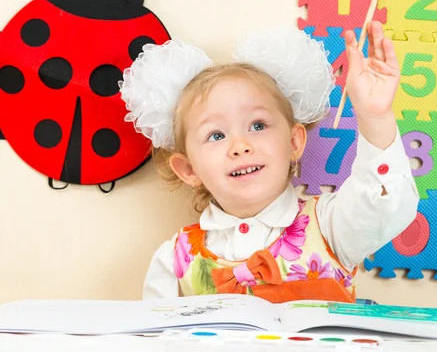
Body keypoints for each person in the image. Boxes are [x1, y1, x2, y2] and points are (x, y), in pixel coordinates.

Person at [120, 20, 419, 303]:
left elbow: (384, 203)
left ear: (293, 142)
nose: (240, 146)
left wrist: (375, 117)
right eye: (215, 135)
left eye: (258, 126)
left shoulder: (331, 224)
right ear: (189, 169)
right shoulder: (173, 260)